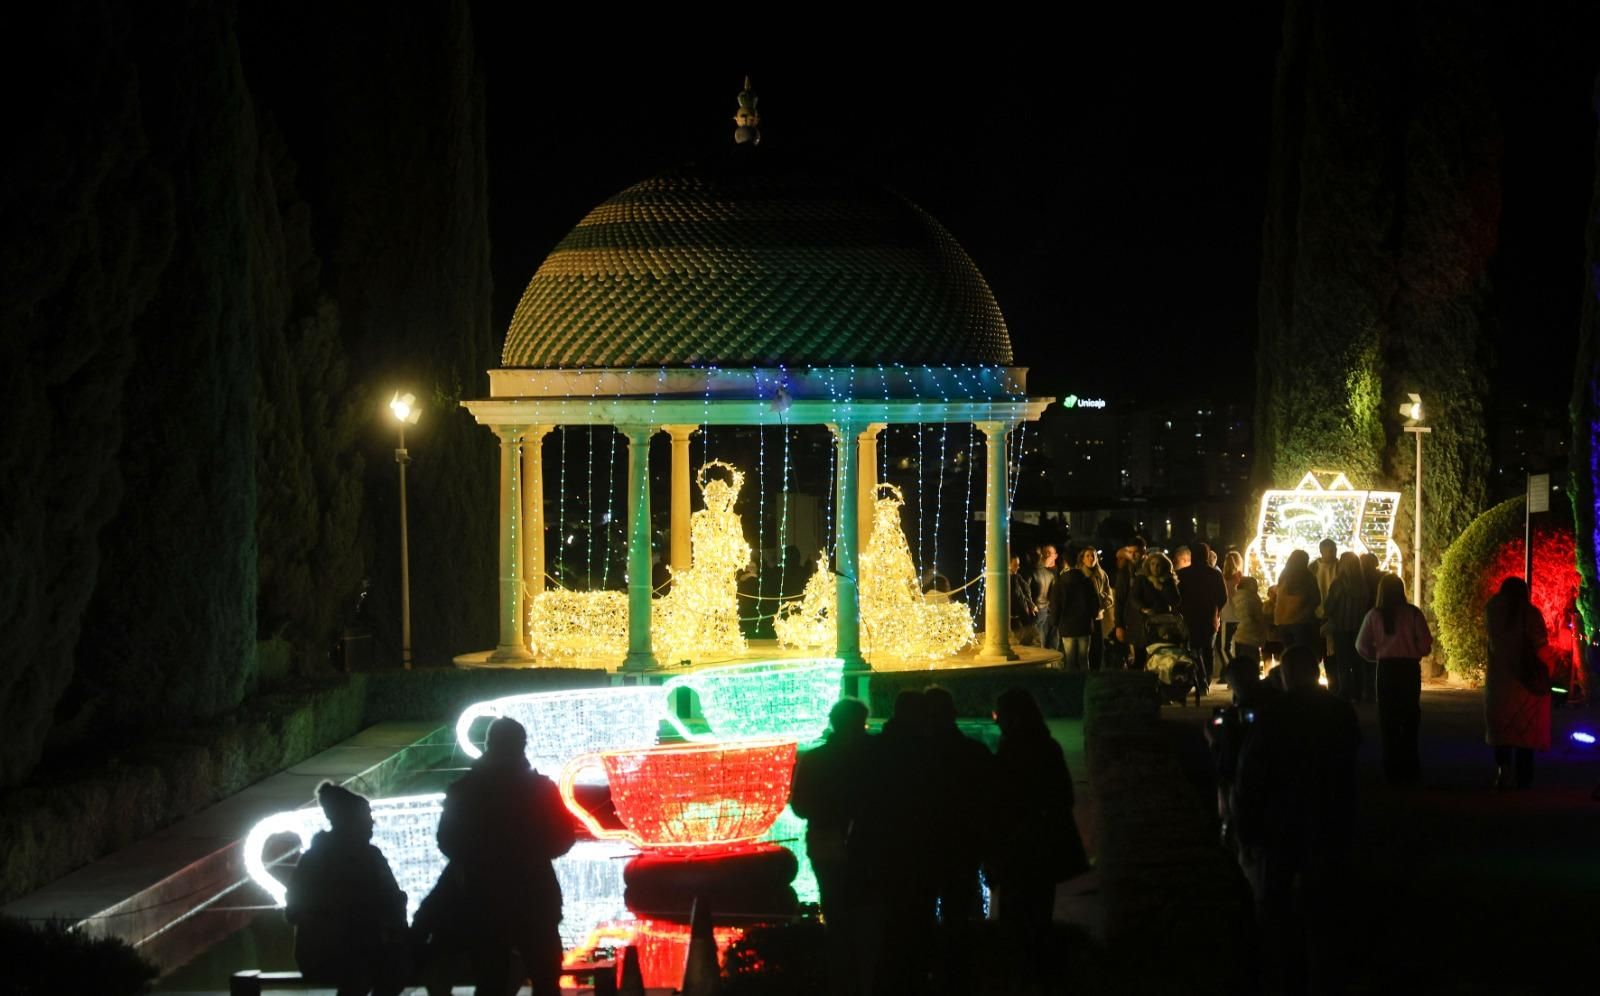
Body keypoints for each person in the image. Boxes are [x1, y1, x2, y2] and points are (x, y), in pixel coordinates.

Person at [1233, 646, 1360, 995]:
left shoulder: (1274, 715)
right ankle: (1325, 973)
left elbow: (1249, 776)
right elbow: (1350, 760)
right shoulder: (1340, 711)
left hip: (1281, 824)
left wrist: (1244, 831)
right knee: (1325, 909)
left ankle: (1284, 974)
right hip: (1329, 819)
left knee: (1276, 908)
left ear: (1286, 675)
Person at [436, 717, 576, 996]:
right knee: (545, 975)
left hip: (483, 895)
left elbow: (448, 841)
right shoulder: (541, 789)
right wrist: (532, 851)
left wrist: (478, 857)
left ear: (488, 745)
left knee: (490, 977)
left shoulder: (464, 790)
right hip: (534, 892)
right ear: (522, 745)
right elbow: (564, 837)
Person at [986, 688, 1084, 992]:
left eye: (998, 715)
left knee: (1015, 918)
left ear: (1012, 717)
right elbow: (1065, 796)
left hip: (1019, 850)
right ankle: (1040, 975)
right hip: (1043, 848)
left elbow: (998, 803)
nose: (996, 721)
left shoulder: (1010, 751)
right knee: (1040, 914)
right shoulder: (1048, 747)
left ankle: (1022, 976)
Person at [285, 782, 409, 996]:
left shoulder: (314, 859)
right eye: (367, 817)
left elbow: (293, 912)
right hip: (338, 954)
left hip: (323, 953)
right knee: (381, 968)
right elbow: (392, 902)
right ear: (350, 821)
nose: (372, 823)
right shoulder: (366, 858)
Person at [791, 698, 877, 994]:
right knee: (866, 911)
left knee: (835, 907)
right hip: (869, 843)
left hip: (825, 839)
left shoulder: (815, 759)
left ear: (833, 722)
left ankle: (839, 975)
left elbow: (800, 806)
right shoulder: (876, 757)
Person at [922, 686, 992, 993]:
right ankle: (960, 975)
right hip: (964, 847)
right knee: (961, 914)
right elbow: (989, 803)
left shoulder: (915, 757)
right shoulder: (974, 752)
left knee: (923, 913)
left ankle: (932, 972)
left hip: (925, 847)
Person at [1356, 573, 1434, 784]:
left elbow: (1361, 645)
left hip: (1387, 668)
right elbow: (1426, 643)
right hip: (1409, 669)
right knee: (1410, 716)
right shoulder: (1413, 613)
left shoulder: (1374, 615)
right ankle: (1410, 766)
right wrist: (1416, 651)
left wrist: (1377, 656)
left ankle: (1390, 767)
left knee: (1387, 717)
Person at [1484, 577, 1552, 790]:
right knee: (1526, 728)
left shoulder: (1492, 612)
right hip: (1526, 680)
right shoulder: (1530, 614)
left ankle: (1503, 770)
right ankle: (1524, 776)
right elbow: (1541, 647)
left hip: (1499, 680)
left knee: (1502, 729)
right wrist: (1551, 667)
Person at [1177, 541, 1228, 693]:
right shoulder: (1215, 574)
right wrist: (1216, 610)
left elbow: (1177, 597)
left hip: (1189, 617)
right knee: (1208, 650)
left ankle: (1200, 679)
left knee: (1193, 649)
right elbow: (1223, 597)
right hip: (1209, 617)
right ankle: (1207, 679)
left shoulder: (1183, 574)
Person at [1322, 553, 1369, 703]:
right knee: (1357, 662)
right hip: (1359, 628)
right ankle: (1357, 692)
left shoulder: (1338, 584)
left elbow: (1329, 606)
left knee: (1343, 662)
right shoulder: (1363, 585)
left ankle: (1344, 692)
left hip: (1341, 627)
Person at [1129, 550, 1181, 668]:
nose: (1155, 567)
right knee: (1141, 658)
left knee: (1160, 658)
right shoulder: (1142, 579)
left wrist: (1161, 587)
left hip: (1162, 625)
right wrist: (1143, 609)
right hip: (1144, 624)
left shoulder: (1168, 581)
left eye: (1158, 565)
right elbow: (1133, 598)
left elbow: (1175, 600)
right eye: (1153, 564)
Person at [1052, 548, 1100, 671]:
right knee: (1084, 659)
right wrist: (1093, 616)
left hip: (1067, 625)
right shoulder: (1087, 581)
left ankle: (1071, 682)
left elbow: (1056, 605)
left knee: (1070, 659)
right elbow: (1095, 603)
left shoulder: (1060, 583)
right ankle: (1085, 680)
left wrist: (1055, 622)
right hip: (1084, 625)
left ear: (1065, 562)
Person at [1273, 550, 1322, 651]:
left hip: (1283, 621)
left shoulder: (1284, 576)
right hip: (1301, 621)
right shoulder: (1307, 576)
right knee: (1302, 652)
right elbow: (1316, 599)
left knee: (1288, 651)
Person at [1229, 576, 1269, 673]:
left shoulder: (1234, 597)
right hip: (1251, 637)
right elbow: (1260, 617)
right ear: (1249, 585)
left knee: (1241, 663)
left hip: (1238, 635)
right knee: (1251, 664)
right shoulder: (1253, 598)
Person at [1218, 550, 1245, 671]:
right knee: (1235, 647)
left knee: (1223, 647)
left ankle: (1232, 671)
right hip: (1238, 615)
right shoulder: (1241, 578)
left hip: (1227, 615)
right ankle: (1235, 671)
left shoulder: (1223, 578)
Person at [1032, 545, 1060, 650]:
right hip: (1042, 611)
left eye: (1049, 552)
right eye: (1044, 553)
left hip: (1053, 613)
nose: (1046, 555)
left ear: (1055, 556)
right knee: (1041, 642)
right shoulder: (1038, 571)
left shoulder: (1059, 572)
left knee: (1053, 644)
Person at [1008, 554, 1039, 647]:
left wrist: (1031, 605)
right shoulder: (1007, 580)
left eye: (1018, 565)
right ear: (1008, 565)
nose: (1018, 567)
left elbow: (1024, 594)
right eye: (1015, 565)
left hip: (1018, 617)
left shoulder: (1017, 577)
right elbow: (1018, 596)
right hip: (1011, 618)